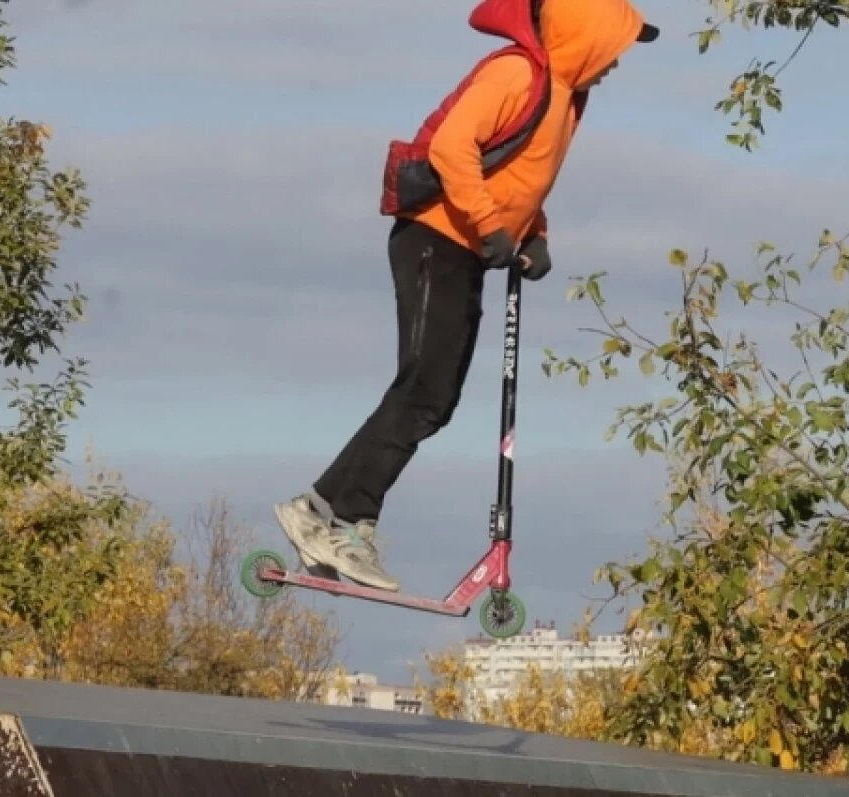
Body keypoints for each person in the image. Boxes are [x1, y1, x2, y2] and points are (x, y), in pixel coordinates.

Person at [274, 0, 659, 591]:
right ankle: (339, 520)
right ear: (587, 36)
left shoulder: (564, 96)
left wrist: (534, 233)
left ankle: (328, 513)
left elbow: (517, 173)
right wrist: (488, 224)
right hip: (436, 238)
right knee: (423, 391)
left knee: (435, 399)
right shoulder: (517, 74)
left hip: (465, 247)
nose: (616, 63)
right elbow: (453, 148)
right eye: (615, 48)